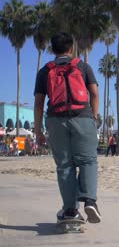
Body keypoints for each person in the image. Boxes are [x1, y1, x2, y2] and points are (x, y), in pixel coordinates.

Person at [34, 32, 101, 223]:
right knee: (88, 161)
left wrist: (38, 130)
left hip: (56, 120)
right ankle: (89, 200)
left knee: (65, 166)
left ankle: (70, 210)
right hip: (83, 118)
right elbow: (94, 93)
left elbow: (39, 103)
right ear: (71, 48)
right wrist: (93, 118)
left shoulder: (45, 71)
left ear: (53, 50)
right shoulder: (82, 66)